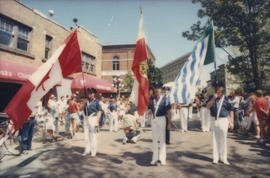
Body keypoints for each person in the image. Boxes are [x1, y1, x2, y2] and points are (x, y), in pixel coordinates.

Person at [206, 81, 234, 165]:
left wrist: (232, 122)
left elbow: (231, 110)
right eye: (216, 87)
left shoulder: (226, 98)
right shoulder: (210, 97)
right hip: (213, 119)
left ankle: (223, 158)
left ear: (222, 88)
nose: (217, 88)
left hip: (223, 120)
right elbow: (207, 107)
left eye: (219, 87)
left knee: (223, 139)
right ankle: (215, 158)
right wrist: (213, 99)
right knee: (214, 139)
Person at [148, 82, 171, 165]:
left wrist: (169, 123)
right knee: (154, 140)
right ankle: (154, 158)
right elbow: (149, 108)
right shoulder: (151, 98)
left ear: (161, 89)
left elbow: (168, 111)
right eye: (156, 88)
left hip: (162, 119)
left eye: (159, 88)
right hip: (154, 119)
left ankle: (162, 158)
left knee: (162, 139)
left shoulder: (165, 98)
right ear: (154, 89)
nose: (157, 89)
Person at [83, 88, 102, 156]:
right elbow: (81, 109)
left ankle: (93, 150)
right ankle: (87, 149)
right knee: (86, 135)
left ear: (94, 94)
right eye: (88, 93)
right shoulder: (86, 101)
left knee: (93, 135)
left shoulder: (96, 101)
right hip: (86, 118)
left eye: (91, 93)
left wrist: (97, 121)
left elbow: (100, 111)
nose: (89, 94)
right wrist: (84, 103)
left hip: (93, 118)